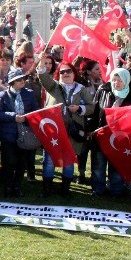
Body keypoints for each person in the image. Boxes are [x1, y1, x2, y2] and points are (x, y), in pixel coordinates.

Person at [38, 60, 94, 198]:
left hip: (72, 132)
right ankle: (46, 191)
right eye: (62, 72)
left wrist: (79, 108)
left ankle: (65, 191)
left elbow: (91, 107)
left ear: (74, 73)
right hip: (53, 131)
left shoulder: (82, 89)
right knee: (49, 161)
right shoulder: (54, 87)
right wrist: (41, 66)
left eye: (68, 71)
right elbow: (44, 78)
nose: (66, 74)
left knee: (68, 162)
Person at [87, 68, 131, 197]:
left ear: (126, 80)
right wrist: (91, 128)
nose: (116, 82)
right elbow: (95, 111)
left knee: (117, 164)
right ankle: (98, 189)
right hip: (101, 135)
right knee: (98, 164)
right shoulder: (103, 90)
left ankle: (116, 190)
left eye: (120, 80)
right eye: (114, 79)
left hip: (121, 137)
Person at [0, 70, 39, 198]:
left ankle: (17, 186)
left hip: (25, 134)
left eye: (23, 79)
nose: (22, 82)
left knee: (21, 162)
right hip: (9, 135)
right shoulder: (3, 95)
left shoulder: (29, 94)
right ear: (12, 82)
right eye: (19, 80)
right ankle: (8, 187)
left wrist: (26, 118)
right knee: (9, 162)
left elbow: (35, 111)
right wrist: (13, 116)